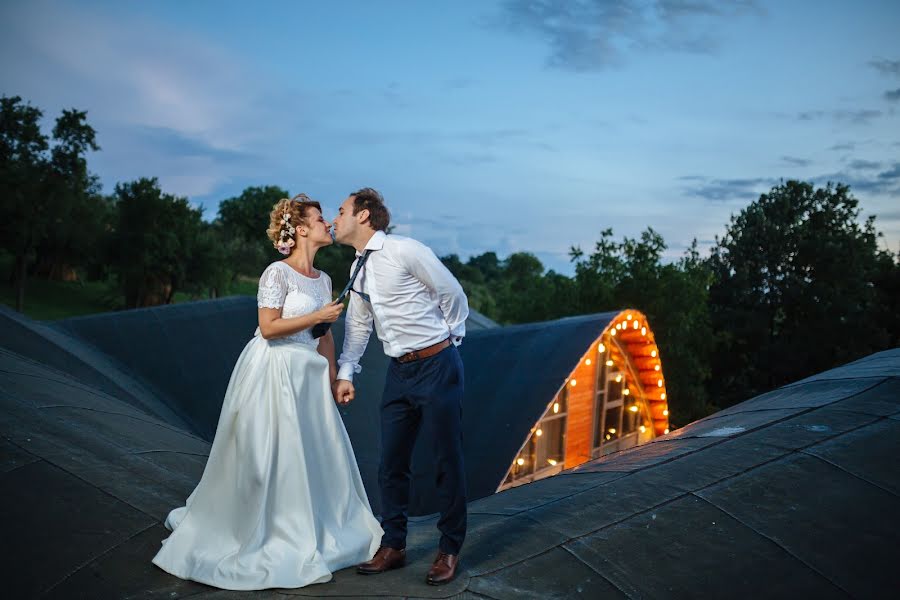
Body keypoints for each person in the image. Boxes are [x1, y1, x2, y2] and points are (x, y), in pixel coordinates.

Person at [151, 195, 383, 590]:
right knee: (268, 452)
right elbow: (270, 327)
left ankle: (311, 522)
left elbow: (322, 336)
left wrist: (332, 380)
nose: (327, 223)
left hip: (306, 378)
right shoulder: (276, 273)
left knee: (309, 454)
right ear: (303, 229)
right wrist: (318, 315)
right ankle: (261, 529)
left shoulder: (324, 280)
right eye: (320, 218)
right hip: (273, 369)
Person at [331, 187, 469, 586]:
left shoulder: (405, 250)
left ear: (364, 215)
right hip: (399, 373)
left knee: (446, 461)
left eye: (341, 211)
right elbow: (358, 326)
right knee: (390, 462)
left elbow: (452, 293)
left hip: (437, 365)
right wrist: (346, 372)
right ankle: (394, 545)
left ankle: (449, 549)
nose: (335, 218)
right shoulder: (357, 268)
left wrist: (450, 341)